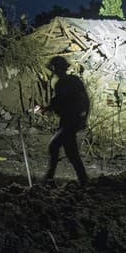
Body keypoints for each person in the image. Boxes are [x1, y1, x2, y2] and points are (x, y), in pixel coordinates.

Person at [39, 56, 89, 185]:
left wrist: (48, 108)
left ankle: (50, 177)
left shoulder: (63, 83)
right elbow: (84, 101)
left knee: (55, 146)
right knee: (71, 152)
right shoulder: (73, 81)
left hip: (70, 121)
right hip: (71, 120)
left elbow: (63, 101)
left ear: (55, 68)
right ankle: (83, 179)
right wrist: (83, 119)